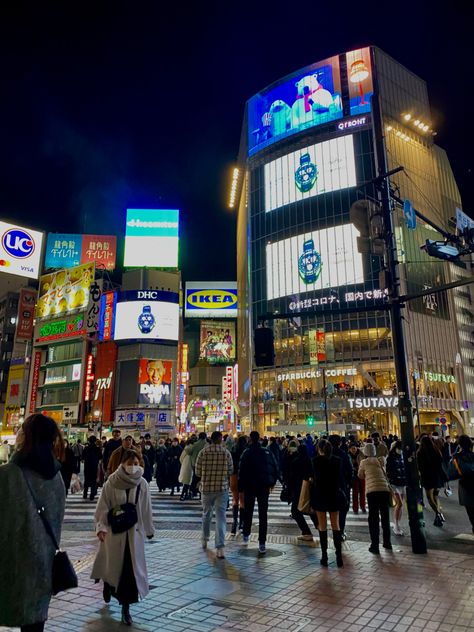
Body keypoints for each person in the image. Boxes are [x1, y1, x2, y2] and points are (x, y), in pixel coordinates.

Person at [0, 414, 65, 632]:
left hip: (8, 566)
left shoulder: (7, 474)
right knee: (35, 626)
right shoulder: (56, 478)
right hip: (42, 568)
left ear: (25, 437)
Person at [91, 449, 154, 626]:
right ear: (122, 463)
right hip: (114, 533)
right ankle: (107, 584)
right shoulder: (111, 483)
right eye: (130, 463)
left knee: (129, 574)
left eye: (136, 463)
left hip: (134, 535)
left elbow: (146, 509)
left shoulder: (142, 483)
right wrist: (101, 527)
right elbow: (103, 507)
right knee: (112, 567)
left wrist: (149, 530)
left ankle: (125, 609)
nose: (133, 467)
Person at [238, 430, 279, 554]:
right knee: (263, 514)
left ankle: (246, 534)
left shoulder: (247, 452)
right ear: (259, 439)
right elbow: (274, 467)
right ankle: (262, 543)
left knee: (248, 511)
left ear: (250, 439)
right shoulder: (266, 452)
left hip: (249, 486)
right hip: (263, 487)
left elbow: (241, 470)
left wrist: (241, 487)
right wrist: (272, 483)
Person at [195, 431, 234, 558]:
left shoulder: (203, 452)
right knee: (221, 517)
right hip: (221, 489)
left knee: (206, 514)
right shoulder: (226, 453)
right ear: (220, 439)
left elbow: (197, 472)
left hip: (206, 488)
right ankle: (220, 547)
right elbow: (230, 470)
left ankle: (205, 539)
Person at [311, 439, 344, 567]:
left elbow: (313, 479)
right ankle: (339, 557)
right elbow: (341, 478)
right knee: (336, 525)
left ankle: (324, 556)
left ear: (319, 449)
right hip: (334, 495)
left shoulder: (315, 461)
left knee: (322, 526)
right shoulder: (337, 461)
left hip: (320, 495)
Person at [358, 443, 392, 554]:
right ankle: (387, 543)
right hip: (384, 491)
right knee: (385, 517)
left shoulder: (364, 462)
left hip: (372, 492)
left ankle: (375, 545)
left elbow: (360, 476)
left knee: (373, 519)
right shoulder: (381, 460)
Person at [284, 441, 318, 541]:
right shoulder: (310, 461)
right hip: (309, 489)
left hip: (297, 489)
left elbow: (291, 477)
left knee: (295, 511)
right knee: (309, 508)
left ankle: (306, 532)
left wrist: (288, 490)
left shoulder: (295, 462)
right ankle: (319, 526)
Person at [417, 435, 446, 527]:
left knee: (430, 498)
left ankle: (438, 513)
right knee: (436, 497)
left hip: (427, 477)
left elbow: (420, 467)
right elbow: (440, 462)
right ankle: (438, 514)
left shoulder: (420, 452)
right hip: (437, 476)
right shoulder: (436, 450)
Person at [448, 435, 474, 532]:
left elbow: (451, 474)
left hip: (465, 488)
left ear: (459, 445)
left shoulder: (456, 458)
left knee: (471, 514)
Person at [328, 435, 352, 539]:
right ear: (339, 443)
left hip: (329, 487)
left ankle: (335, 531)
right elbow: (350, 471)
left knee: (333, 511)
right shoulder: (344, 455)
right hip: (342, 487)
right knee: (342, 510)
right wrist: (348, 484)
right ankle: (340, 532)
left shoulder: (326, 455)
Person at [386, 440, 407, 535]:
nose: (401, 450)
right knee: (400, 504)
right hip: (394, 484)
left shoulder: (402, 456)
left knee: (400, 505)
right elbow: (388, 471)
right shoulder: (390, 457)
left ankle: (397, 524)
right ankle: (396, 525)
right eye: (399, 448)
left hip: (402, 482)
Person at [229, 435, 248, 534]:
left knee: (235, 499)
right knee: (243, 501)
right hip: (243, 477)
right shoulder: (246, 451)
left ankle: (234, 522)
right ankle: (241, 523)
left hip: (233, 476)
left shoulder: (233, 451)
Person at [82, 435, 103, 501]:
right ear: (95, 441)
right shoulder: (97, 449)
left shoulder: (86, 448)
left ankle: (85, 494)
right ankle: (92, 495)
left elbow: (82, 458)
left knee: (86, 480)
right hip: (94, 466)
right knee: (94, 481)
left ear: (89, 441)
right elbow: (100, 458)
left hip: (87, 466)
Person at [348, 442, 365, 514]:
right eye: (352, 449)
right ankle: (355, 508)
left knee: (362, 491)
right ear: (349, 449)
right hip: (354, 475)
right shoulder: (348, 455)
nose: (353, 450)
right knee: (355, 492)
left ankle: (363, 506)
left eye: (354, 448)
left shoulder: (361, 454)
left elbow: (364, 462)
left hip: (361, 474)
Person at [189, 432, 208, 497]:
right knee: (203, 478)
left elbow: (190, 452)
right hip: (205, 464)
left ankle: (193, 491)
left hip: (195, 463)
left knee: (195, 478)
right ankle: (201, 492)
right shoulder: (207, 444)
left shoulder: (195, 444)